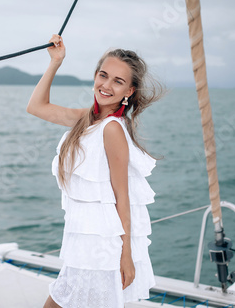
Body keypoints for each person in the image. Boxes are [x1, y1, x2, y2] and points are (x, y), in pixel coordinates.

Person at [27, 34, 162, 308]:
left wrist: (126, 256)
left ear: (129, 91)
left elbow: (122, 198)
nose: (107, 85)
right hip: (86, 244)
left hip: (102, 246)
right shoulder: (88, 118)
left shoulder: (112, 129)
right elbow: (36, 107)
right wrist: (56, 62)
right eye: (103, 75)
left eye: (118, 81)